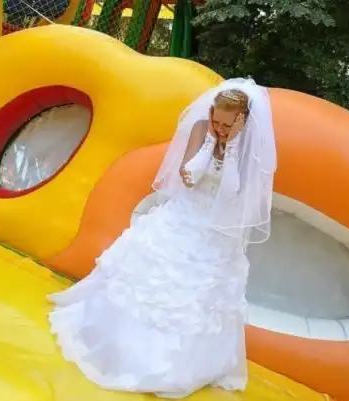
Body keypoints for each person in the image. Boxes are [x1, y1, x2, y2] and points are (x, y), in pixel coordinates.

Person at [48, 78, 277, 398]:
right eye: (217, 121)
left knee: (197, 298)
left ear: (241, 122)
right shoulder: (202, 128)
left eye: (227, 125)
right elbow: (190, 178)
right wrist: (211, 142)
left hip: (215, 232)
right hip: (184, 215)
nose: (220, 128)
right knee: (149, 278)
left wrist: (234, 146)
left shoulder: (248, 147)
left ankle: (183, 365)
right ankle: (124, 349)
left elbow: (231, 193)